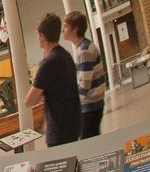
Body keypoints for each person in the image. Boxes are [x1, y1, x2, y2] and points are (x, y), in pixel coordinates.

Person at [25, 13, 82, 147]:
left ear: (42, 36)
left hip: (59, 131)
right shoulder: (65, 56)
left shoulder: (48, 63)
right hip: (73, 124)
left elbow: (29, 101)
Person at [63, 11, 106, 139]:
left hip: (91, 108)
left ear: (75, 28)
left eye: (65, 26)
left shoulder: (84, 50)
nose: (62, 30)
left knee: (88, 143)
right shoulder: (84, 47)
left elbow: (84, 86)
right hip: (93, 105)